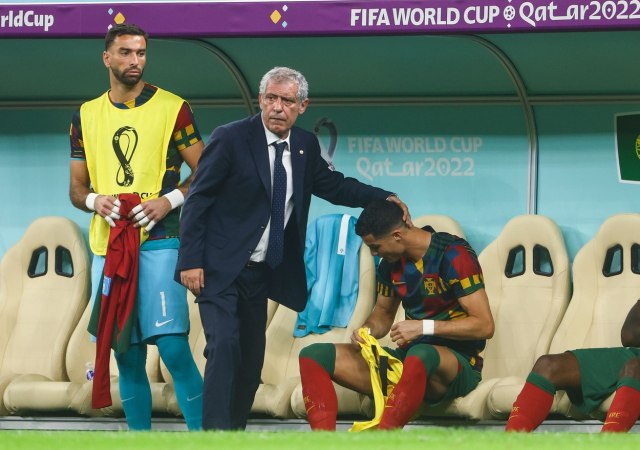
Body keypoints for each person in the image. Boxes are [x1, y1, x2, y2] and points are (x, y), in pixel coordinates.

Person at [176, 66, 410, 431]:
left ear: (302, 106)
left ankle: (233, 435)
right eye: (271, 98)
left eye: (287, 100)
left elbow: (334, 186)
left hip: (260, 274)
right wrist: (191, 260)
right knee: (224, 346)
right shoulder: (231, 138)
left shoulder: (304, 145)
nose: (277, 107)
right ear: (260, 100)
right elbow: (198, 200)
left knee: (250, 360)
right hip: (220, 268)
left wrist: (383, 197)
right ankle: (213, 438)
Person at [69, 23, 204, 431]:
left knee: (173, 348)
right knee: (126, 353)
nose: (135, 60)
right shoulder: (85, 115)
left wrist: (168, 200)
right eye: (126, 52)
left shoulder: (174, 107)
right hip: (109, 247)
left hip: (161, 240)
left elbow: (206, 171)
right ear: (106, 58)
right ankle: (139, 440)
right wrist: (95, 201)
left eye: (141, 53)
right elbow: (77, 190)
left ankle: (208, 439)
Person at [298, 199, 495, 430]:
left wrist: (423, 327)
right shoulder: (389, 265)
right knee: (313, 355)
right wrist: (366, 330)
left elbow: (484, 325)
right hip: (409, 361)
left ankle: (385, 439)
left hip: (457, 365)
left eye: (376, 247)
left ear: (397, 236)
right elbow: (382, 314)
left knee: (422, 354)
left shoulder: (454, 255)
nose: (373, 253)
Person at [506, 300, 640, 433]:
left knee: (634, 367)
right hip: (633, 353)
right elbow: (629, 336)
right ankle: (511, 440)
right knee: (547, 366)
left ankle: (607, 442)